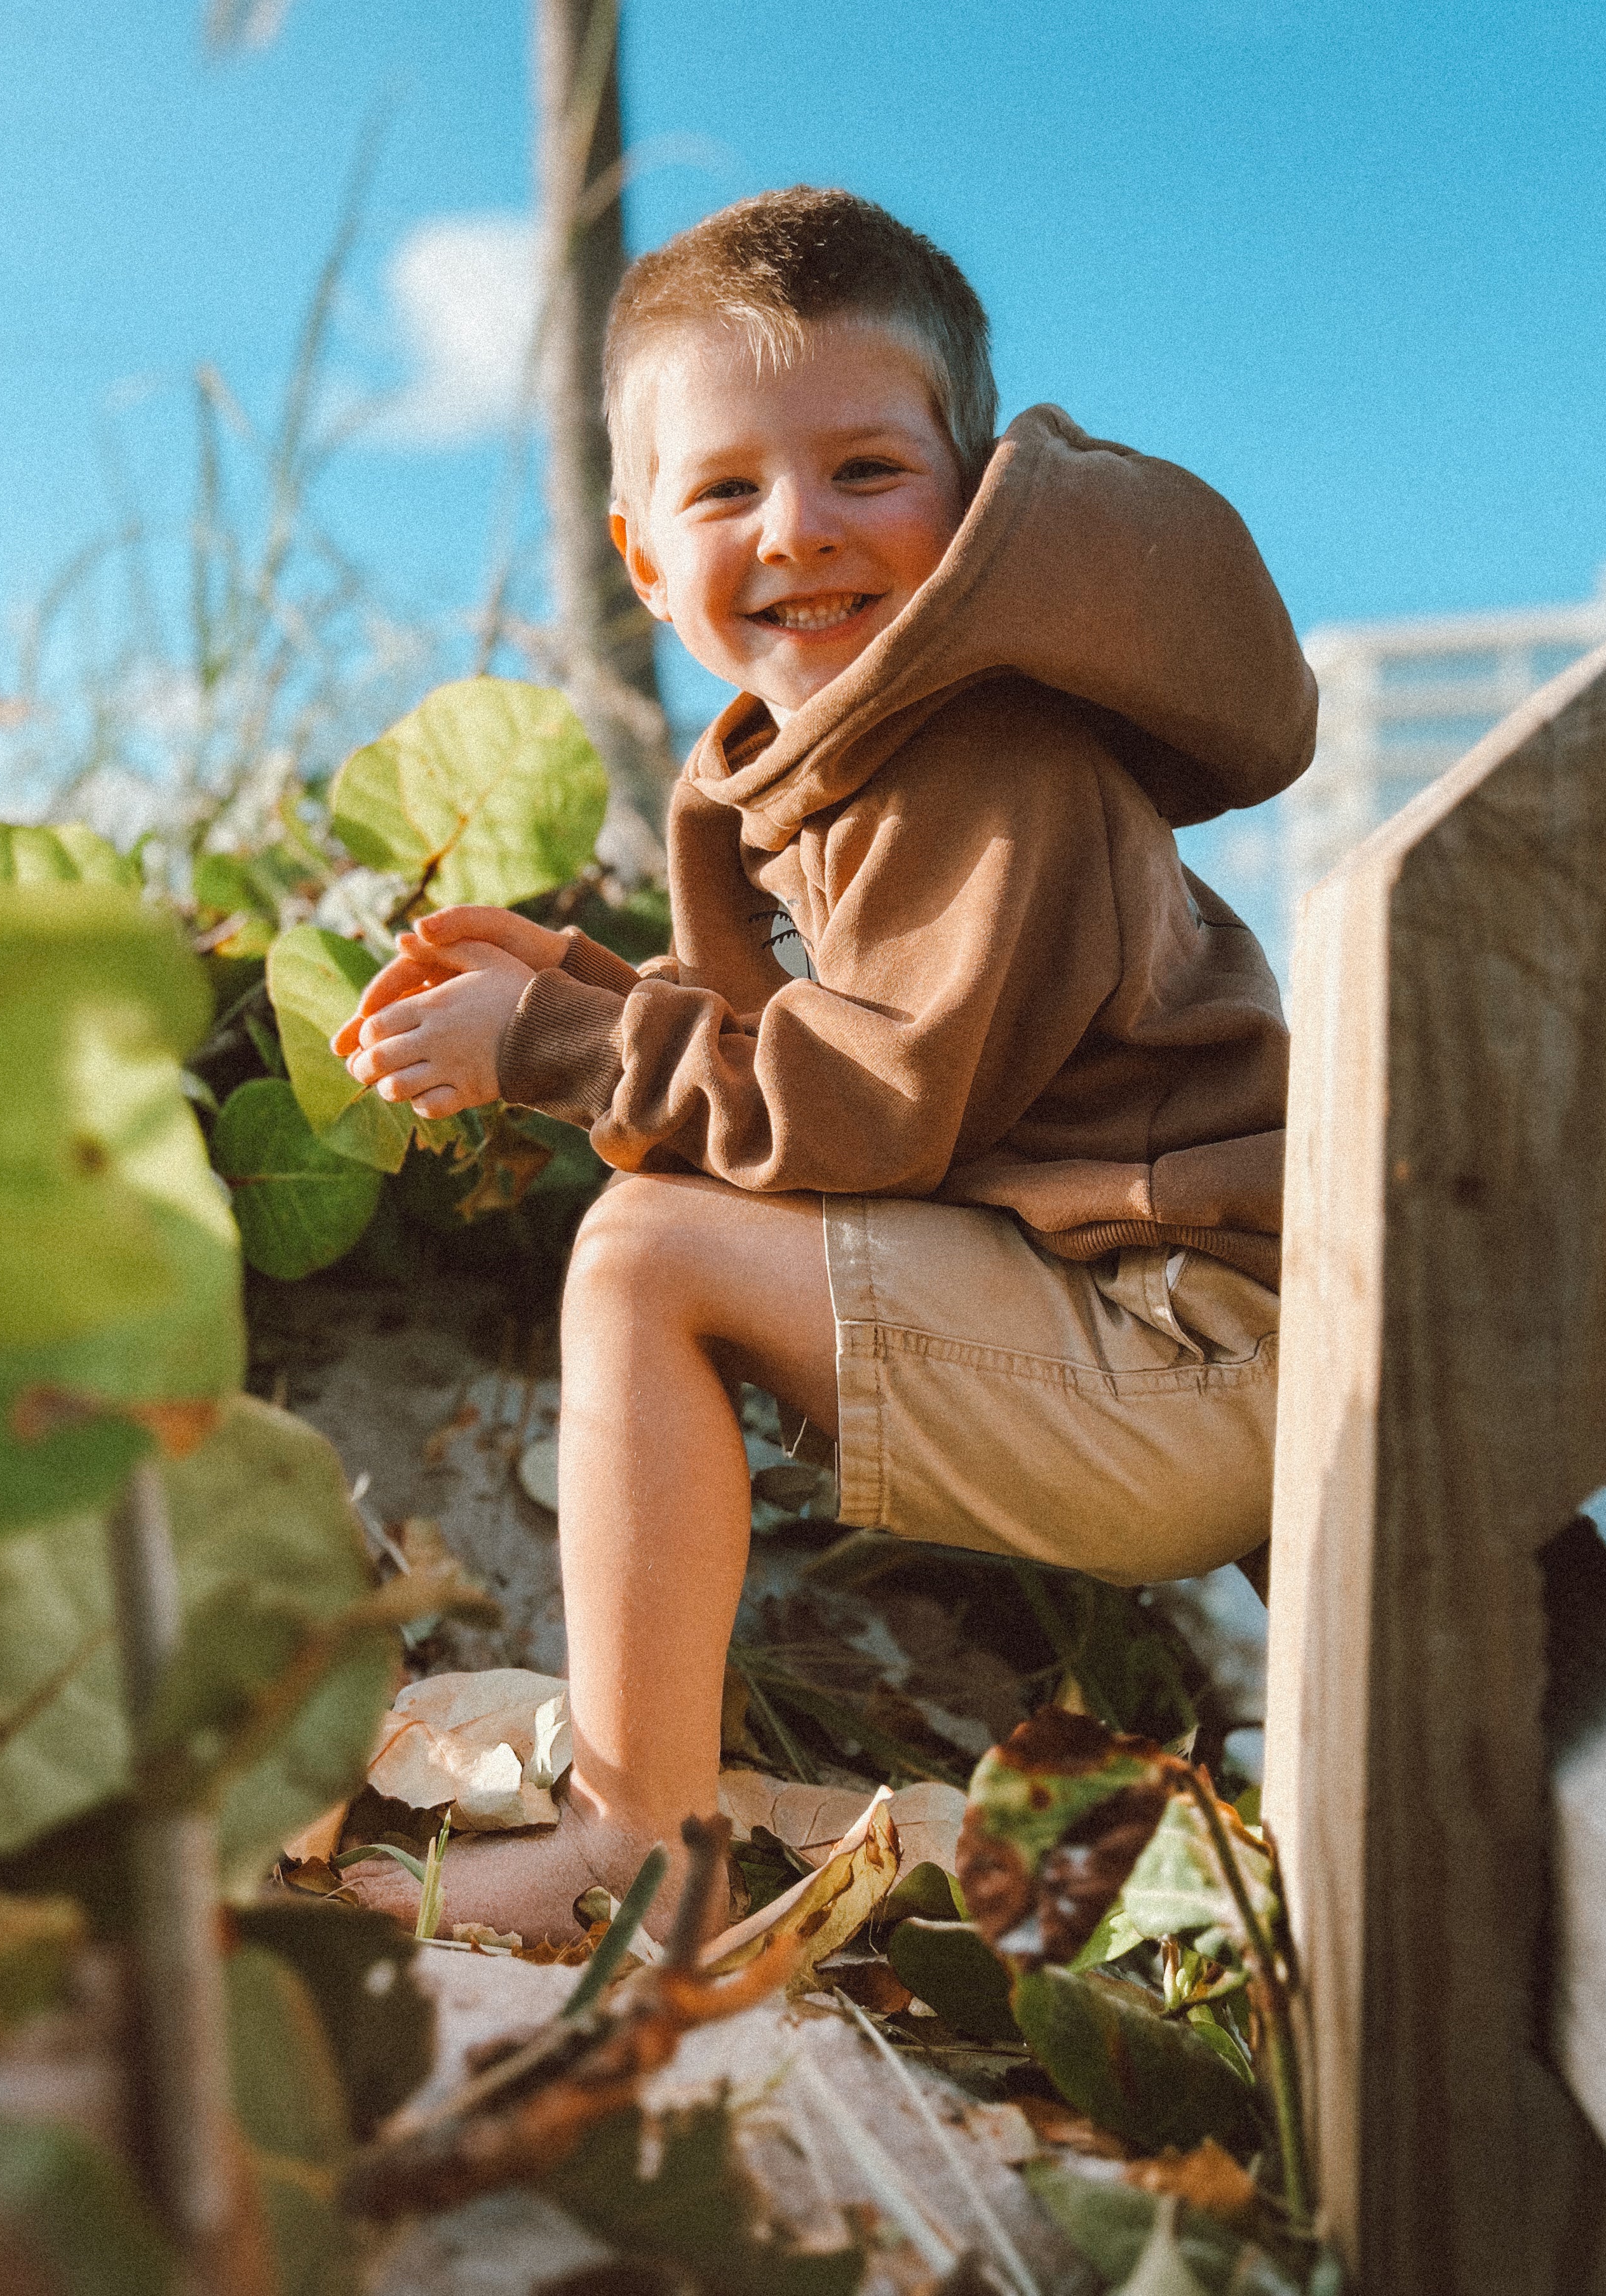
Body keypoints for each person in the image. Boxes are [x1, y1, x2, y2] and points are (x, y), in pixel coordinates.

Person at [334, 187, 1316, 1942]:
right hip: (1130, 1321)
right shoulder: (805, 766)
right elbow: (803, 1058)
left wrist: (556, 1047)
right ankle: (642, 1820)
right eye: (725, 490)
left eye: (867, 470)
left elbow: (868, 1109)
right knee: (662, 1240)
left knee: (643, 1263)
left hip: (1195, 1351)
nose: (797, 528)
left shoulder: (986, 761)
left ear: (976, 501)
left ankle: (634, 1844)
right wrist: (576, 983)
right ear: (644, 555)